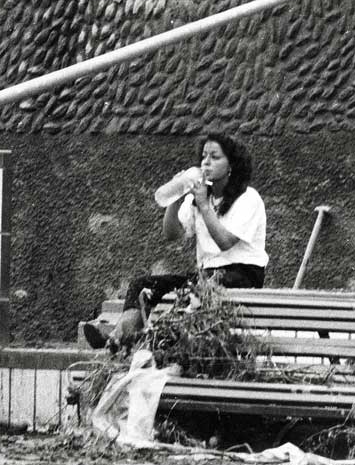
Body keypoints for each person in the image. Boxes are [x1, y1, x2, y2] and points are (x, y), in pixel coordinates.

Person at [84, 132, 268, 352]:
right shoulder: (198, 196)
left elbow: (225, 242)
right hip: (206, 276)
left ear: (231, 165)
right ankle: (118, 338)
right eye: (204, 156)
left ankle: (144, 341)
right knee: (141, 285)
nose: (206, 162)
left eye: (214, 157)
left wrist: (204, 205)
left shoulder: (248, 198)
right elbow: (172, 235)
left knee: (191, 294)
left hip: (243, 274)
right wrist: (175, 198)